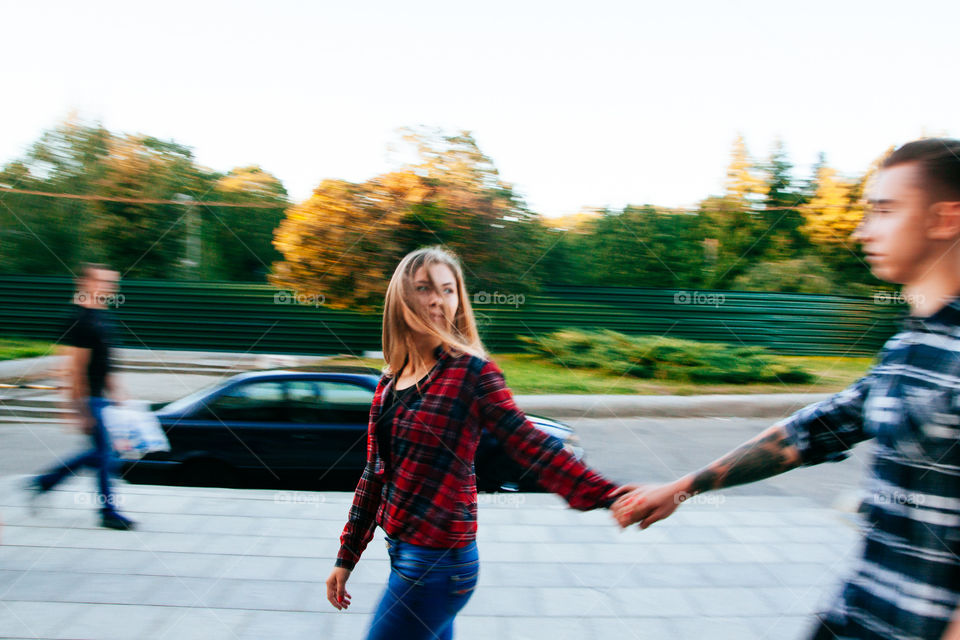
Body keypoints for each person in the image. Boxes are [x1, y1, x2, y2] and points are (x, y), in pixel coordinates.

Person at [612, 138, 960, 639]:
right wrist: (683, 488)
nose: (862, 231)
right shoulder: (910, 344)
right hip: (856, 620)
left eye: (885, 211)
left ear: (945, 218)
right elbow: (811, 432)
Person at [326, 246, 632, 639]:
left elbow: (529, 443)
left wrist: (608, 495)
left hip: (438, 564)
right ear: (400, 297)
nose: (437, 299)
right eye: (423, 288)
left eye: (448, 289)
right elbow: (373, 474)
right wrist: (346, 557)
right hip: (402, 553)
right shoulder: (389, 381)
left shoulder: (471, 372)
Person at [27, 263, 135, 530]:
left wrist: (116, 390)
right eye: (105, 282)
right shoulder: (80, 319)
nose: (111, 288)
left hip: (102, 398)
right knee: (106, 455)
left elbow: (104, 361)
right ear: (86, 283)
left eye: (113, 283)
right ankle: (107, 511)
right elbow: (74, 368)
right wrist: (78, 408)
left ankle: (46, 481)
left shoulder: (101, 315)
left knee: (104, 454)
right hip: (90, 400)